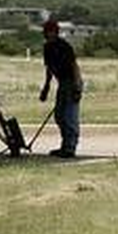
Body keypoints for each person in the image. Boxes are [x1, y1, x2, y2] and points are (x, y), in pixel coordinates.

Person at [39, 18, 83, 158]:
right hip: (62, 83)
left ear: (54, 32)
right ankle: (65, 145)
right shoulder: (47, 48)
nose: (46, 34)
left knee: (69, 116)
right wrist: (46, 87)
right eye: (45, 31)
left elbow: (74, 66)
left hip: (71, 81)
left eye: (48, 31)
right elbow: (49, 69)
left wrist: (76, 86)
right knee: (59, 115)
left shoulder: (63, 46)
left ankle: (70, 147)